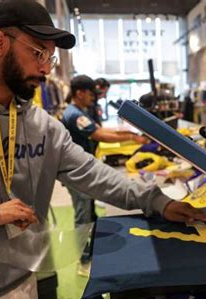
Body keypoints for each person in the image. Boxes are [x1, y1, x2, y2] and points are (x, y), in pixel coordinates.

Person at [0, 1, 206, 299]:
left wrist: (158, 201)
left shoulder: (43, 127)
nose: (46, 68)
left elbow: (96, 174)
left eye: (50, 57)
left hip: (22, 286)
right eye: (37, 53)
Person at [61, 75, 147, 276]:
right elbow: (100, 135)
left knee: (90, 213)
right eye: (91, 93)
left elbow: (101, 130)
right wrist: (133, 137)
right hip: (77, 174)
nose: (94, 97)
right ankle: (82, 262)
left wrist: (129, 134)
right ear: (80, 93)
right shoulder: (75, 115)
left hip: (83, 170)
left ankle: (90, 252)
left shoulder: (80, 112)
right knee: (83, 216)